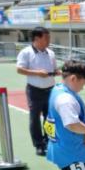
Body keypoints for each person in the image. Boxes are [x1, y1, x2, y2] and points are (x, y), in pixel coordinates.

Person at [17, 27, 59, 156]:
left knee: (50, 117)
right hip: (34, 90)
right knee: (34, 118)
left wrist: (59, 72)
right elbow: (19, 69)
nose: (49, 40)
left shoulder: (51, 53)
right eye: (46, 37)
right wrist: (37, 73)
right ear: (37, 38)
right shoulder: (26, 52)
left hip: (50, 89)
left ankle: (49, 141)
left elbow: (55, 69)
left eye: (49, 37)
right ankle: (39, 145)